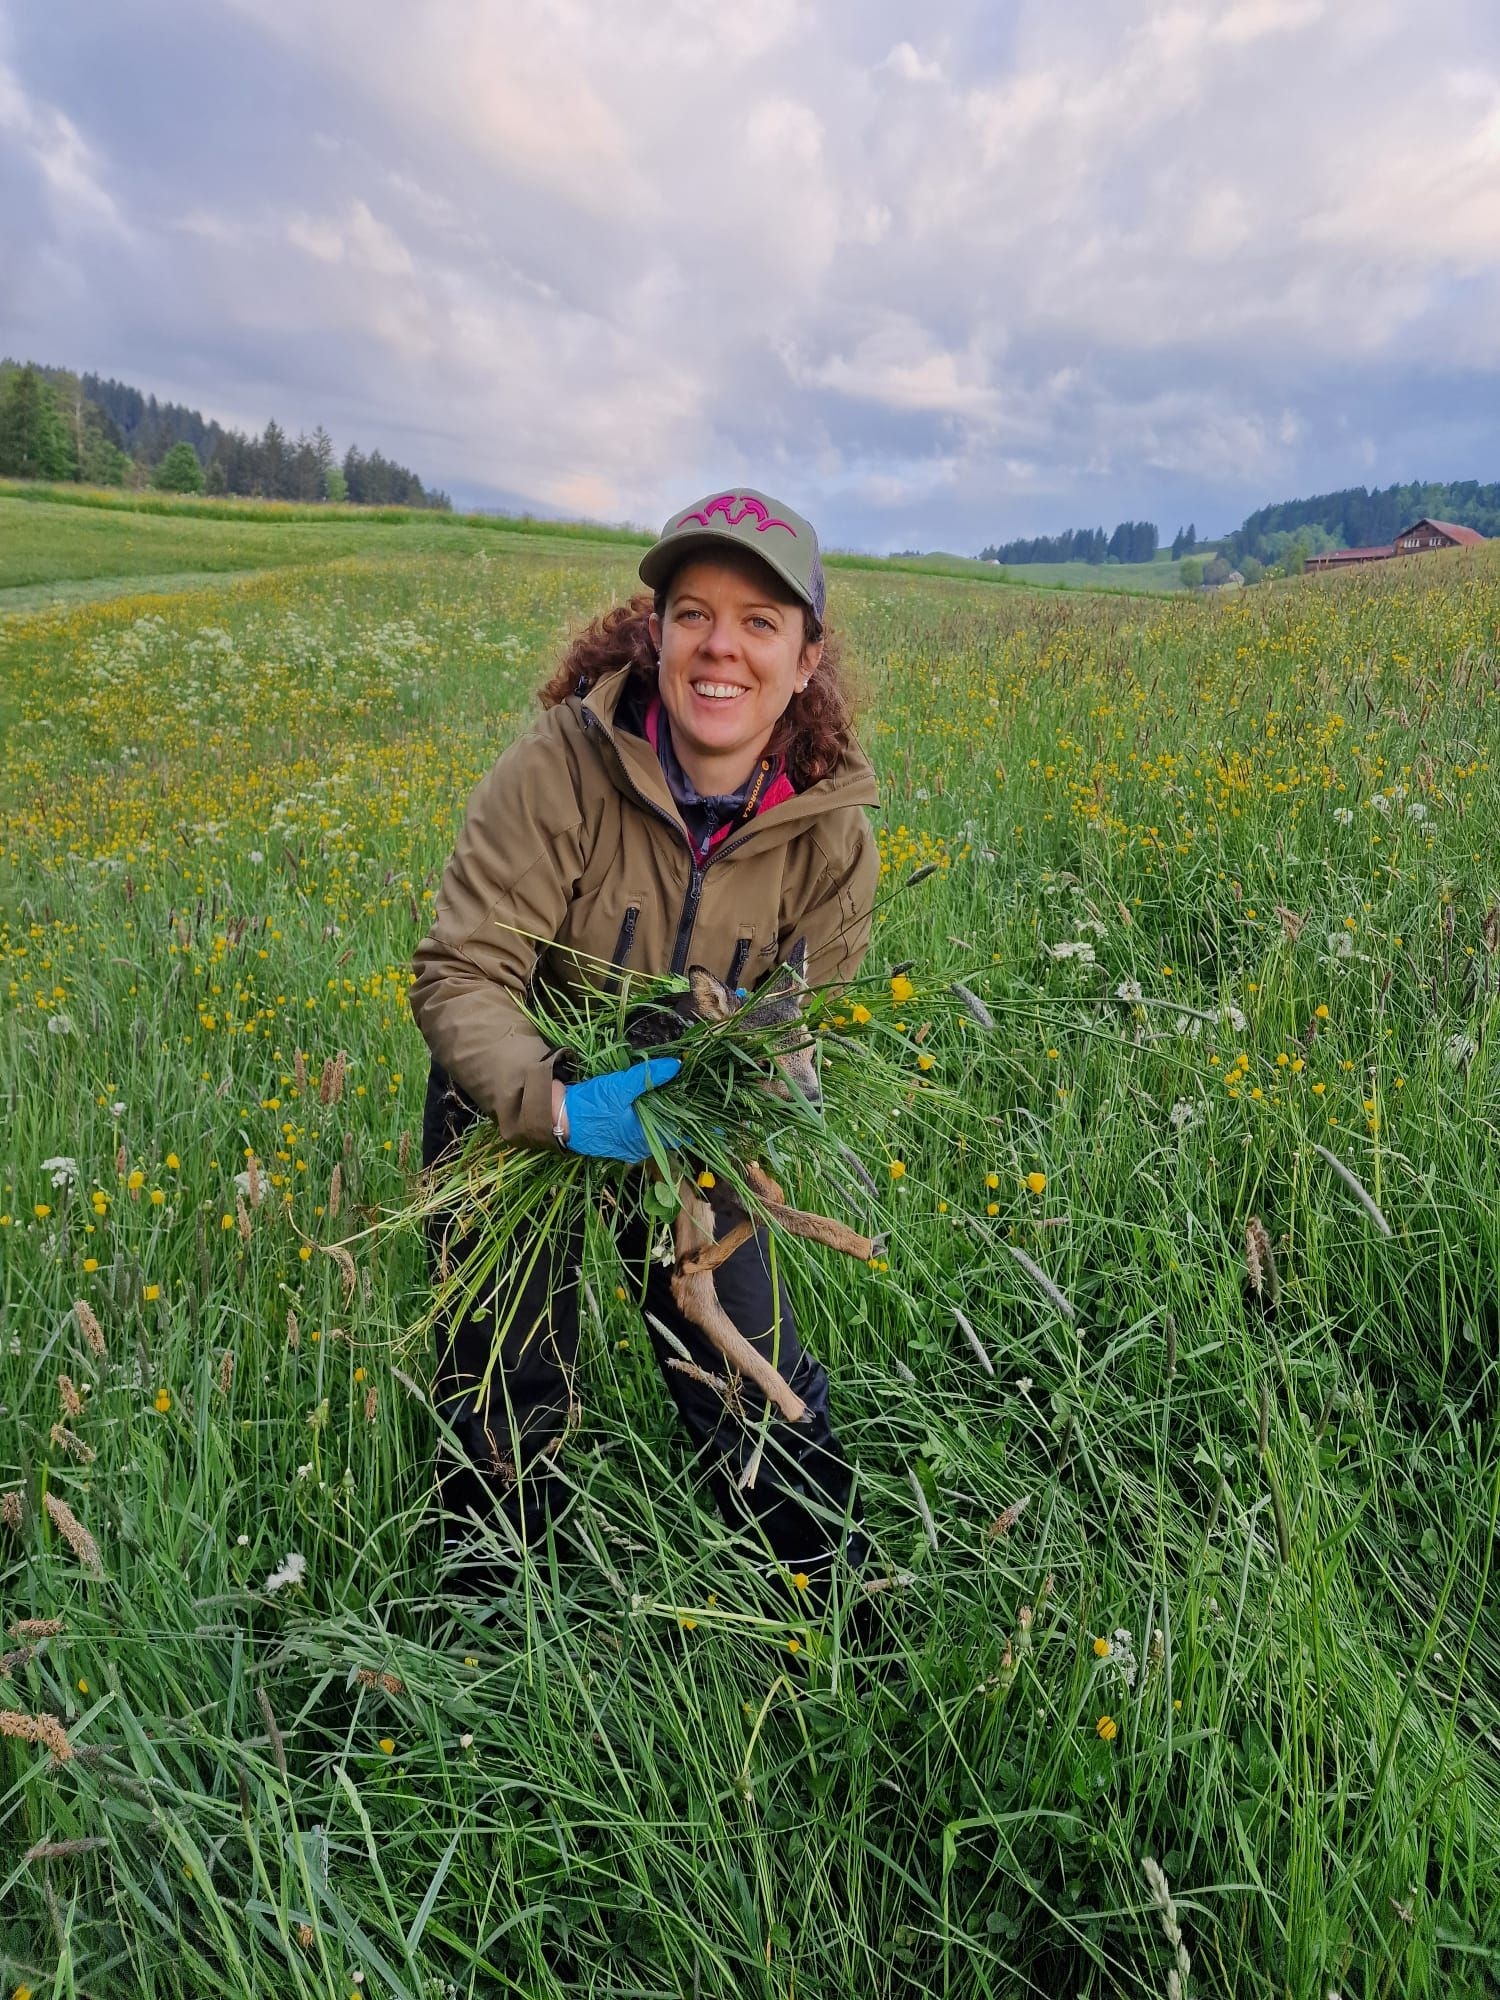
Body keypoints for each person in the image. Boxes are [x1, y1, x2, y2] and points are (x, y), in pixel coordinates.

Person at [409, 487, 880, 1601]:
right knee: (502, 1373)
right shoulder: (559, 768)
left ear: (806, 655)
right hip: (521, 1091)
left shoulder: (830, 828)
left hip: (690, 1107)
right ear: (657, 631)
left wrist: (766, 1077)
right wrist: (565, 1106)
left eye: (761, 620)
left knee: (743, 1363)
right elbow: (461, 970)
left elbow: (815, 1009)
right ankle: (494, 1642)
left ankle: (839, 1607)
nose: (723, 646)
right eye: (695, 613)